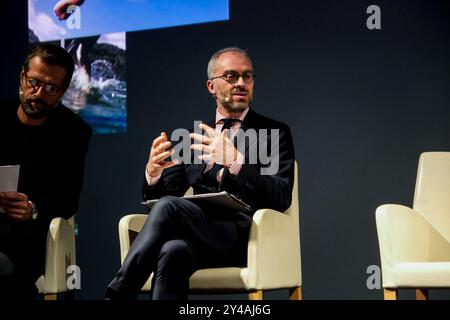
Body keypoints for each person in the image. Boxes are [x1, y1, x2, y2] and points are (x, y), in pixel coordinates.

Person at [106, 47, 295, 300]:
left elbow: (281, 196)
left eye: (247, 76)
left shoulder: (274, 132)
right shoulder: (194, 137)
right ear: (211, 86)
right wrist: (153, 173)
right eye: (231, 76)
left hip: (247, 238)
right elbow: (162, 199)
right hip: (200, 238)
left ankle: (117, 294)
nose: (241, 83)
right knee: (172, 251)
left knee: (171, 208)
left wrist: (236, 162)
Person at [0, 44, 92, 299]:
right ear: (22, 78)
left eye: (50, 88)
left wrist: (33, 208)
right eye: (34, 83)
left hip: (26, 237)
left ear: (62, 92)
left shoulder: (74, 132)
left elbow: (68, 199)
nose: (38, 93)